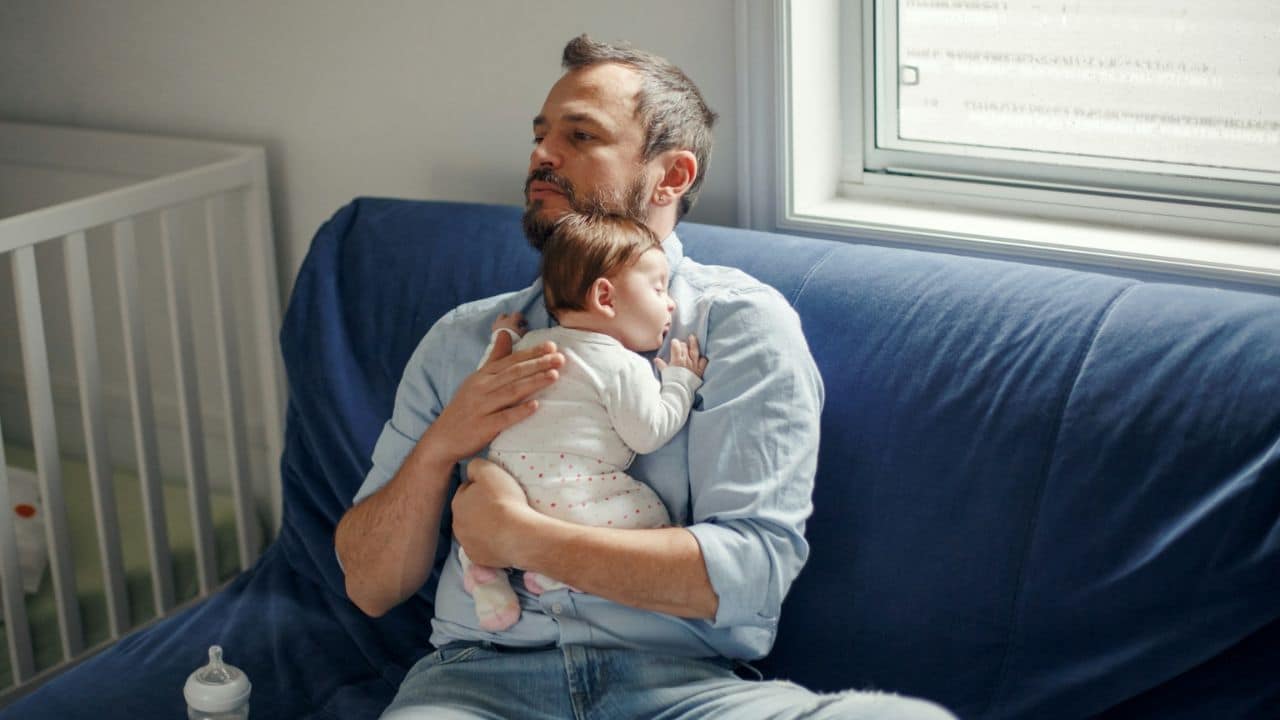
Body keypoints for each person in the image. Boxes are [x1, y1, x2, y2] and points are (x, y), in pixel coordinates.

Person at [335, 34, 956, 719]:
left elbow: (749, 576)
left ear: (672, 176)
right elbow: (368, 585)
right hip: (478, 685)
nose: (543, 154)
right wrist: (440, 447)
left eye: (581, 136)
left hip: (683, 691)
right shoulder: (464, 340)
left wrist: (522, 539)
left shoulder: (739, 327)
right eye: (541, 135)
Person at [461, 211, 708, 632]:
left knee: (476, 508)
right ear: (605, 298)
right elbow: (648, 433)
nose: (671, 303)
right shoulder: (620, 364)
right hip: (572, 494)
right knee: (652, 520)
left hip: (507, 483)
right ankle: (556, 574)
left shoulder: (533, 345)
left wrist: (503, 337)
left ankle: (483, 572)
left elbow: (486, 381)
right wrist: (681, 381)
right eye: (658, 287)